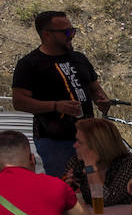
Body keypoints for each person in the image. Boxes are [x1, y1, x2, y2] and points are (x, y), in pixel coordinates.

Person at [11, 10, 112, 177]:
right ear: (47, 35)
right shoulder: (29, 64)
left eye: (73, 30)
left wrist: (102, 99)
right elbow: (19, 101)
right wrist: (56, 106)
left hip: (90, 137)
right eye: (66, 32)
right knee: (65, 184)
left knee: (95, 182)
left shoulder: (79, 58)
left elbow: (94, 88)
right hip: (55, 140)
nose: (71, 35)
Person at [61, 117, 132, 208]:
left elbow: (102, 202)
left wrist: (91, 168)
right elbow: (56, 198)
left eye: (80, 142)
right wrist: (64, 187)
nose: (75, 145)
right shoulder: (78, 161)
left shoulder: (127, 165)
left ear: (97, 145)